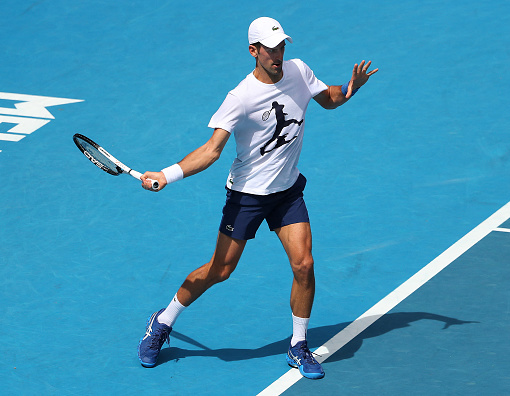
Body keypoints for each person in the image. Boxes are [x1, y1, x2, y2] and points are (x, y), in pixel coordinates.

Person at [137, 16, 378, 379]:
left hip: (286, 192)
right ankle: (163, 321)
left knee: (304, 265)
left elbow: (327, 99)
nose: (278, 54)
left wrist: (350, 88)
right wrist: (167, 175)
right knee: (220, 270)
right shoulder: (241, 98)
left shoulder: (298, 70)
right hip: (247, 196)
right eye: (271, 48)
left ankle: (298, 346)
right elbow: (211, 150)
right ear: (254, 51)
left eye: (282, 46)